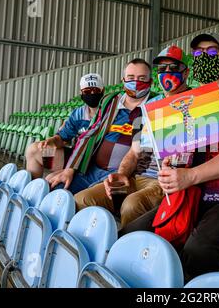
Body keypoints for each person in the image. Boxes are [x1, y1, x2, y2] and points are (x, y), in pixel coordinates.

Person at [120, 33, 219, 281]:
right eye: (198, 54)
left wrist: (190, 175)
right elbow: (177, 155)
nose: (204, 57)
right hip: (190, 194)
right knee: (131, 235)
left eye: (212, 52)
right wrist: (170, 168)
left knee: (198, 251)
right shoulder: (188, 102)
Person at [75, 45, 192, 228]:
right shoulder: (148, 106)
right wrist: (121, 174)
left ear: (186, 73)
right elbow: (134, 150)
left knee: (131, 206)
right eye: (162, 69)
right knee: (83, 198)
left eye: (174, 68)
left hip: (165, 180)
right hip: (137, 176)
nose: (167, 73)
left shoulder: (197, 101)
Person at [46, 59, 155, 197]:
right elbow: (89, 134)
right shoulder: (110, 102)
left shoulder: (155, 107)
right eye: (131, 78)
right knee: (55, 190)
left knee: (80, 200)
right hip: (90, 168)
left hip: (121, 174)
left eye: (142, 78)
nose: (136, 82)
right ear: (123, 80)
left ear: (150, 82)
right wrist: (70, 169)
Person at [25, 73, 102, 179]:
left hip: (99, 163)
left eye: (95, 90)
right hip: (77, 159)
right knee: (33, 150)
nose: (91, 94)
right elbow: (61, 139)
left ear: (103, 90)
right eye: (87, 91)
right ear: (81, 93)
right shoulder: (78, 114)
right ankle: (31, 191)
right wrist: (51, 141)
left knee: (50, 179)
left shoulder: (112, 112)